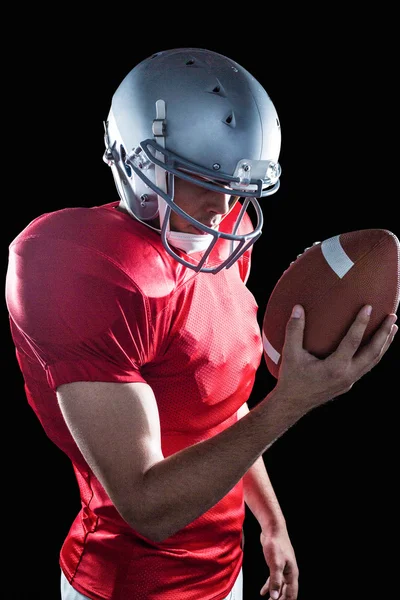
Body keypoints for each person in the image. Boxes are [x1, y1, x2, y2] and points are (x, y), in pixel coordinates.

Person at [5, 47, 397, 600]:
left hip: (222, 570)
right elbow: (146, 508)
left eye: (233, 184)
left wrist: (273, 520)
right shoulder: (80, 268)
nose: (220, 207)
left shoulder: (214, 236)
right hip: (130, 585)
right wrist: (292, 402)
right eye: (198, 177)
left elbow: (217, 408)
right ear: (140, 163)